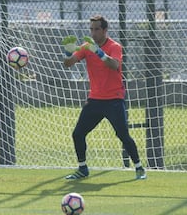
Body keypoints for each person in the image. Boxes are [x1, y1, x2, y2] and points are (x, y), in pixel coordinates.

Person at [61, 15, 147, 180]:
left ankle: (139, 168)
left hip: (114, 99)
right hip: (95, 100)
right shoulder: (87, 47)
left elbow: (114, 65)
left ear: (105, 30)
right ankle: (82, 169)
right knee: (78, 133)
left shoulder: (114, 46)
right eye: (91, 29)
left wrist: (98, 53)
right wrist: (68, 51)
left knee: (122, 135)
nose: (93, 33)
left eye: (97, 29)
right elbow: (69, 63)